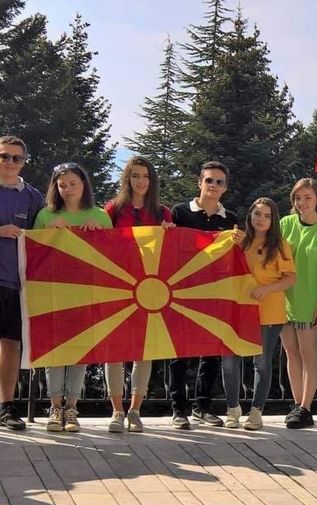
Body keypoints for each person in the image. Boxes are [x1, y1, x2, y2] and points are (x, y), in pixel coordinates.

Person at [34, 163, 112, 432]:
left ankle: (71, 408)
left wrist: (101, 234)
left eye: (73, 184)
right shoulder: (45, 214)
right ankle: (55, 408)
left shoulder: (100, 215)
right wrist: (47, 232)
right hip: (53, 292)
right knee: (54, 350)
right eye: (62, 185)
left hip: (88, 293)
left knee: (80, 352)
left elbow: (113, 256)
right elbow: (33, 253)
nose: (67, 189)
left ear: (84, 185)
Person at [103, 156, 174, 433]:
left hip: (150, 288)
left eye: (145, 176)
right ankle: (116, 411)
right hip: (117, 287)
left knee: (145, 350)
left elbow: (172, 251)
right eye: (135, 176)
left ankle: (135, 410)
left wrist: (169, 233)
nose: (141, 181)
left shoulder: (162, 212)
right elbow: (99, 244)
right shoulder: (113, 209)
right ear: (127, 179)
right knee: (115, 350)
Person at [169, 161, 239, 430]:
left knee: (210, 353)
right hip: (181, 292)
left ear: (225, 188)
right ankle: (178, 409)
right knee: (179, 354)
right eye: (209, 180)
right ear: (200, 182)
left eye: (220, 182)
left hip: (214, 293)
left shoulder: (230, 220)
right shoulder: (179, 212)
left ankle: (202, 406)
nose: (214, 186)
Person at [225, 198, 295, 430]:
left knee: (262, 364)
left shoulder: (280, 245)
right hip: (238, 311)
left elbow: (291, 278)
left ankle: (256, 412)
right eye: (257, 214)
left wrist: (267, 289)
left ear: (273, 220)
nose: (261, 219)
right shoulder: (240, 240)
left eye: (267, 215)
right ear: (250, 216)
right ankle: (233, 409)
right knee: (230, 361)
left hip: (269, 312)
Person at [280, 178, 317, 429]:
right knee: (291, 352)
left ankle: (306, 407)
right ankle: (297, 404)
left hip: (309, 301)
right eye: (298, 198)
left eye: (307, 197)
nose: (302, 202)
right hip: (284, 299)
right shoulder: (285, 224)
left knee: (308, 354)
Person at [0, 136, 44, 431]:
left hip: (17, 283)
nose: (10, 162)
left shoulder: (33, 197)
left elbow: (43, 233)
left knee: (11, 345)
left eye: (17, 158)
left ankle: (6, 407)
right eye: (4, 156)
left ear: (24, 162)